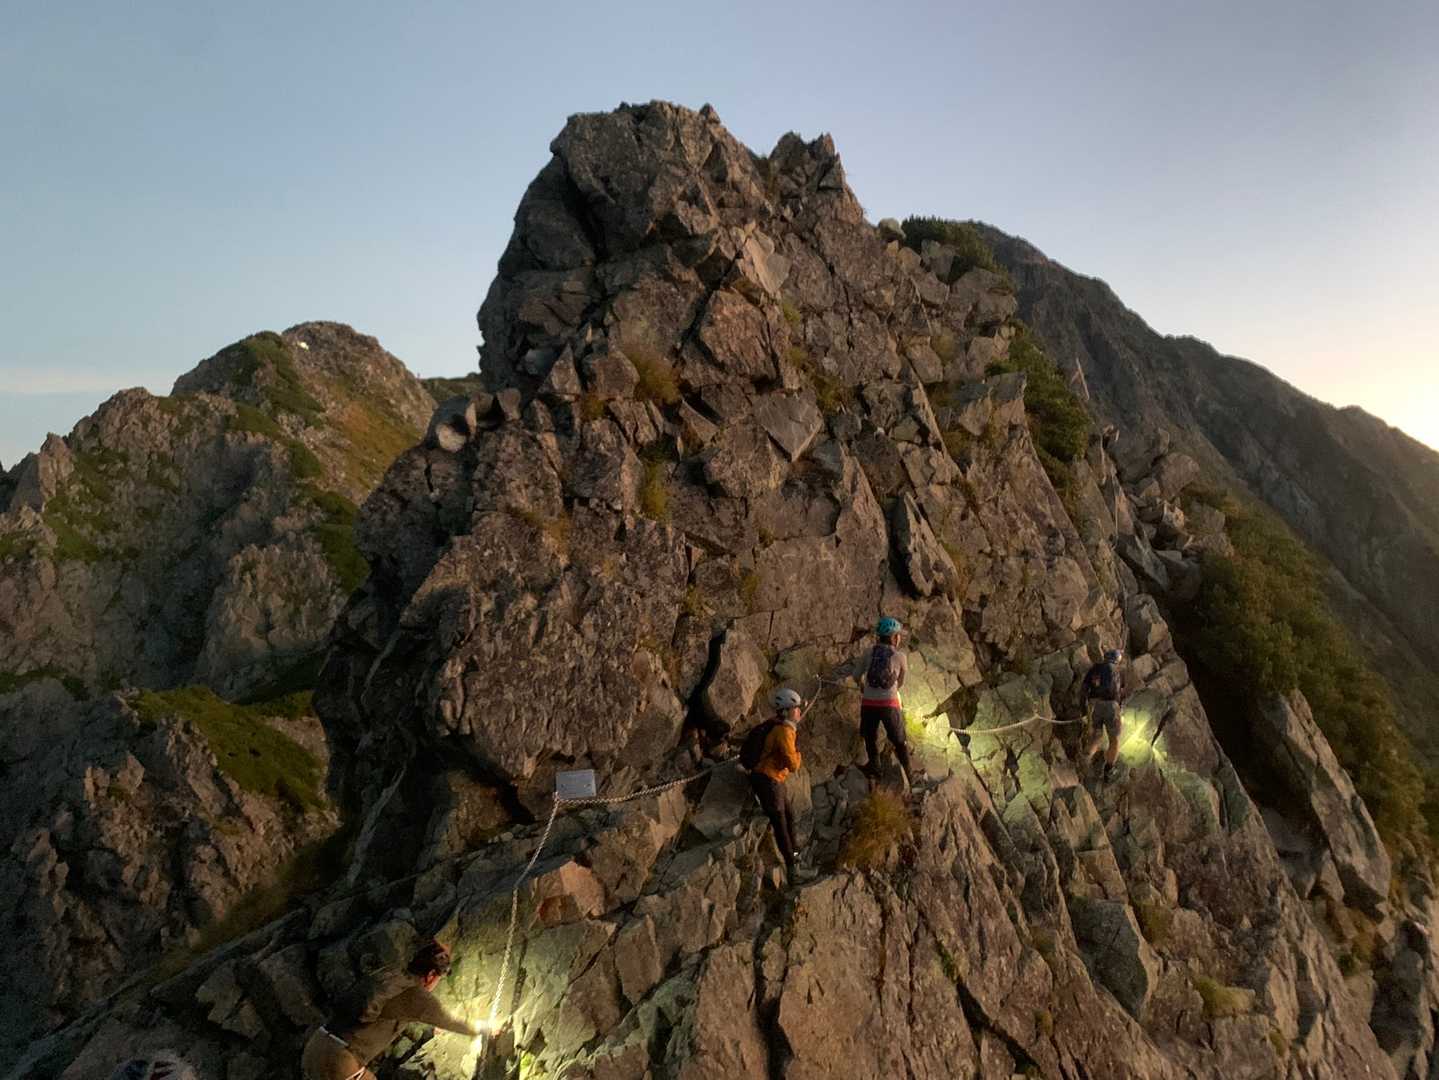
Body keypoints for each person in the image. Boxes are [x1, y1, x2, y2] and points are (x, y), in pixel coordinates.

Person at [301, 940, 494, 1080]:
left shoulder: (390, 976)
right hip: (339, 1059)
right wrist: (483, 1029)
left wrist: (430, 1029)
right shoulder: (416, 994)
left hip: (316, 1045)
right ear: (431, 975)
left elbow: (389, 1015)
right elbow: (450, 1021)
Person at [843, 617, 914, 788]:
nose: (899, 638)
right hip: (889, 704)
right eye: (898, 635)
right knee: (899, 740)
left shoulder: (868, 652)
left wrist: (863, 687)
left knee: (870, 737)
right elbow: (901, 682)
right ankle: (910, 774)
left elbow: (856, 675)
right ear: (893, 637)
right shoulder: (900, 656)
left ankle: (875, 769)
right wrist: (892, 691)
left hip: (869, 703)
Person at [746, 687, 806, 878]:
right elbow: (793, 764)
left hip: (772, 779)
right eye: (796, 708)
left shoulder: (779, 726)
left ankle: (795, 858)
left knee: (788, 817)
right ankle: (793, 871)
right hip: (768, 780)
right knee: (781, 825)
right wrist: (799, 754)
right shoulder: (784, 732)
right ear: (787, 711)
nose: (799, 711)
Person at [1079, 649, 1127, 783]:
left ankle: (1084, 762)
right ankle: (1108, 771)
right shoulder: (1117, 671)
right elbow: (1120, 693)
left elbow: (1083, 690)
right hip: (1111, 706)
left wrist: (1084, 711)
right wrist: (1119, 708)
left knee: (1096, 736)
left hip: (1094, 706)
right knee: (1114, 740)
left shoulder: (1094, 669)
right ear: (1117, 660)